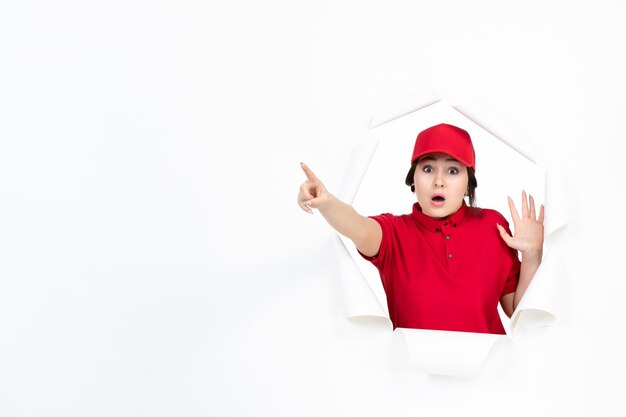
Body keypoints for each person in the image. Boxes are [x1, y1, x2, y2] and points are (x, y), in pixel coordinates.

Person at [297, 123, 544, 334]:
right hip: (412, 384)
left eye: (453, 170)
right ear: (413, 180)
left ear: (469, 185)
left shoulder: (493, 226)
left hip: (487, 380)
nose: (439, 181)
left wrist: (532, 254)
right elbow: (358, 226)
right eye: (427, 169)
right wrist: (327, 203)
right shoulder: (394, 234)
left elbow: (517, 312)